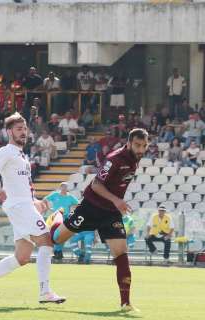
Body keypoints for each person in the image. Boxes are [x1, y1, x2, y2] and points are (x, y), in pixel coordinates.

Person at [0, 113, 65, 306]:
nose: (23, 132)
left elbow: (22, 185)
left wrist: (36, 202)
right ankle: (45, 291)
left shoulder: (22, 155)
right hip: (18, 206)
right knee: (46, 240)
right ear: (9, 131)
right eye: (19, 129)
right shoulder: (6, 151)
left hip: (24, 205)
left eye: (25, 129)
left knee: (22, 257)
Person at [49, 128, 148, 312]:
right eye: (137, 145)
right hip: (90, 207)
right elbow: (95, 185)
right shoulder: (115, 159)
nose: (141, 149)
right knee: (57, 239)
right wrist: (117, 200)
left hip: (110, 213)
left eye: (144, 146)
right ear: (129, 143)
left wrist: (115, 203)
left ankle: (125, 303)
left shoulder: (135, 159)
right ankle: (57, 217)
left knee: (121, 252)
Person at [44, 182, 80, 260]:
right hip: (56, 217)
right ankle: (58, 252)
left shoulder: (70, 197)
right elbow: (45, 199)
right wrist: (48, 208)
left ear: (67, 188)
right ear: (60, 187)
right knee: (55, 235)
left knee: (60, 235)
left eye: (66, 187)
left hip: (65, 217)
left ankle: (58, 252)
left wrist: (72, 210)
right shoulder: (55, 195)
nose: (64, 188)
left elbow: (78, 204)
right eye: (63, 186)